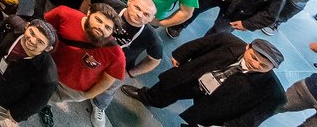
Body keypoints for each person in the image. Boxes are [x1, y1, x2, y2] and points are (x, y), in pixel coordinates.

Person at [121, 34, 286, 127]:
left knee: (200, 121)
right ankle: (148, 97)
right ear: (247, 47)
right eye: (254, 57)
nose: (255, 65)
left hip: (218, 103)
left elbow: (253, 118)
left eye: (264, 66)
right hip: (195, 77)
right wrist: (182, 54)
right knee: (168, 88)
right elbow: (202, 44)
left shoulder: (273, 93)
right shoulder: (228, 40)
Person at [41, 3, 125, 127]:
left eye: (107, 27)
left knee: (48, 99)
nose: (101, 27)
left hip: (70, 88)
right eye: (98, 20)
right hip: (45, 67)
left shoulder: (116, 55)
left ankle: (44, 105)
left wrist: (87, 95)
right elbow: (43, 29)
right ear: (89, 13)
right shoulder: (64, 14)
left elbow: (108, 80)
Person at [0, 16, 59, 127]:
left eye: (40, 42)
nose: (32, 40)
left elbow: (36, 101)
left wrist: (17, 114)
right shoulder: (14, 24)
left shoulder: (48, 75)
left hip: (9, 97)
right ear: (27, 26)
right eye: (32, 32)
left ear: (48, 48)